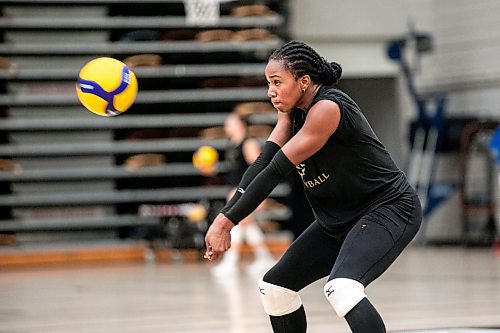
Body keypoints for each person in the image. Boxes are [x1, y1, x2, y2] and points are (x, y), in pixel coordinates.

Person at [204, 40, 422, 333]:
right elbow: (260, 165)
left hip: (388, 209)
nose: (271, 91)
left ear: (304, 82)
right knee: (275, 287)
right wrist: (228, 214)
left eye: (277, 82)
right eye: (269, 83)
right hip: (337, 220)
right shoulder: (290, 114)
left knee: (342, 287)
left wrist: (225, 220)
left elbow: (275, 172)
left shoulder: (327, 108)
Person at [211, 112, 275, 277]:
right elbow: (232, 170)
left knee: (238, 225)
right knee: (246, 226)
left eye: (229, 122)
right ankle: (264, 257)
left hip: (245, 191)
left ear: (240, 125)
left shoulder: (248, 144)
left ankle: (231, 262)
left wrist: (258, 195)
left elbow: (259, 169)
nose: (226, 126)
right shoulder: (231, 145)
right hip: (234, 190)